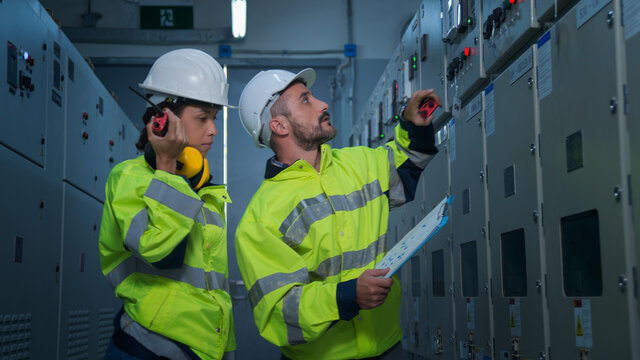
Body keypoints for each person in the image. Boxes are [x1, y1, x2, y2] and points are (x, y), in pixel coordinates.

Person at [234, 68, 441, 359]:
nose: (323, 104)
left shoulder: (359, 164)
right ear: (280, 126)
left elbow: (409, 163)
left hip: (388, 347)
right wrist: (347, 296)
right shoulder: (261, 217)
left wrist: (413, 124)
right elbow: (281, 311)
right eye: (306, 100)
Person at [99, 48, 236, 360]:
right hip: (147, 347)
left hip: (202, 350)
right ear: (163, 119)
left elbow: (213, 289)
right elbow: (161, 253)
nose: (213, 130)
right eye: (203, 118)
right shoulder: (129, 177)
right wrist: (165, 163)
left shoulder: (202, 187)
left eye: (214, 118)